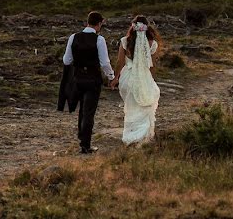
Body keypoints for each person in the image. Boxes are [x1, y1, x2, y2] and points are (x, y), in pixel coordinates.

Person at [57, 11, 115, 154]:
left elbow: (66, 60)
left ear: (87, 22)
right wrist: (111, 76)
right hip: (93, 79)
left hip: (77, 78)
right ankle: (85, 144)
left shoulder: (73, 37)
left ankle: (82, 139)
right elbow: (105, 62)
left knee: (82, 110)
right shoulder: (99, 40)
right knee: (88, 111)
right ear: (99, 23)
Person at [109, 16, 161, 145]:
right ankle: (143, 134)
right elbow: (152, 65)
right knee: (144, 105)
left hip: (128, 77)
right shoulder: (153, 43)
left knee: (131, 105)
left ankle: (131, 133)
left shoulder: (125, 41)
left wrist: (115, 78)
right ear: (146, 27)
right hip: (144, 77)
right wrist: (152, 79)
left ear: (133, 26)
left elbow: (120, 62)